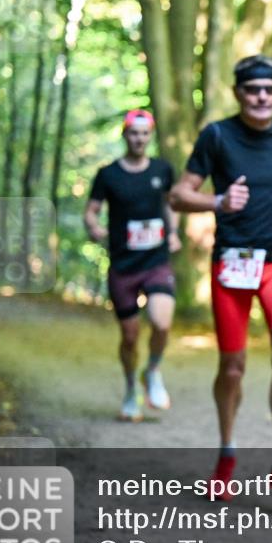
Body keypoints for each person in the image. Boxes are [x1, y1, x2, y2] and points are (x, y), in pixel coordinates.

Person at [170, 55, 272, 506]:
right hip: (232, 262)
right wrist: (217, 201)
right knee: (232, 367)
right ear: (238, 93)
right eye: (252, 89)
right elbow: (178, 195)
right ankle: (227, 457)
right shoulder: (217, 135)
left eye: (269, 89)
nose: (261, 97)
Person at [84, 109, 181, 422]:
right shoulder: (108, 174)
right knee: (129, 336)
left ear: (150, 136)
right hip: (123, 265)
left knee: (162, 322)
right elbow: (92, 210)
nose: (139, 138)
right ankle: (130, 389)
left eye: (144, 133)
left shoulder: (163, 169)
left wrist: (175, 232)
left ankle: (152, 371)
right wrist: (94, 228)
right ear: (125, 135)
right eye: (133, 133)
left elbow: (170, 203)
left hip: (156, 261)